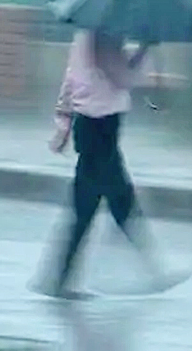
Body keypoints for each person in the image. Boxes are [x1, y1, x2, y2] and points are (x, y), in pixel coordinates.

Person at [38, 29, 180, 299]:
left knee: (107, 203)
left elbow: (70, 78)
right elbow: (123, 78)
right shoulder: (104, 38)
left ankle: (58, 279)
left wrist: (64, 121)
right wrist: (145, 49)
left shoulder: (84, 35)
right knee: (109, 203)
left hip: (93, 127)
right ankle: (155, 270)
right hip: (100, 128)